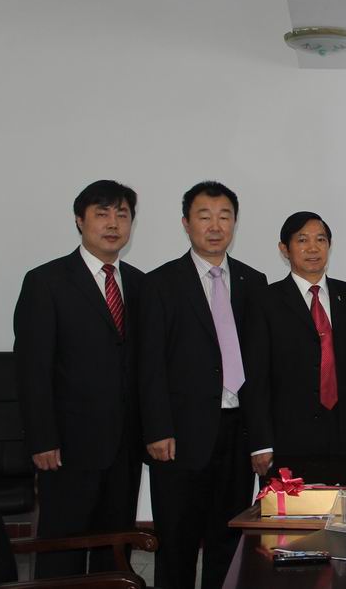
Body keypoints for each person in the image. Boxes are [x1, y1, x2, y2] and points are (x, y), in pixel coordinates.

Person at [138, 181, 268, 589]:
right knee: (176, 542)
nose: (215, 226)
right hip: (179, 436)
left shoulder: (253, 281)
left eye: (224, 216)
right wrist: (157, 429)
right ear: (186, 223)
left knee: (228, 540)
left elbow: (259, 367)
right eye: (204, 216)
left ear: (235, 223)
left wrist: (260, 439)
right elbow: (149, 364)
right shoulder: (160, 283)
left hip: (237, 432)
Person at [14, 180, 143, 579]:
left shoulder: (140, 284)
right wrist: (42, 439)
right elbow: (32, 368)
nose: (113, 223)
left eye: (122, 214)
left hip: (125, 446)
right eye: (102, 214)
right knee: (62, 549)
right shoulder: (46, 281)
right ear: (79, 220)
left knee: (115, 548)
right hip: (67, 447)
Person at [245, 212, 346, 462]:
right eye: (302, 240)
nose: (313, 248)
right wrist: (260, 443)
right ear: (284, 249)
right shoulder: (265, 301)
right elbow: (256, 378)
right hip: (287, 438)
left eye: (321, 240)